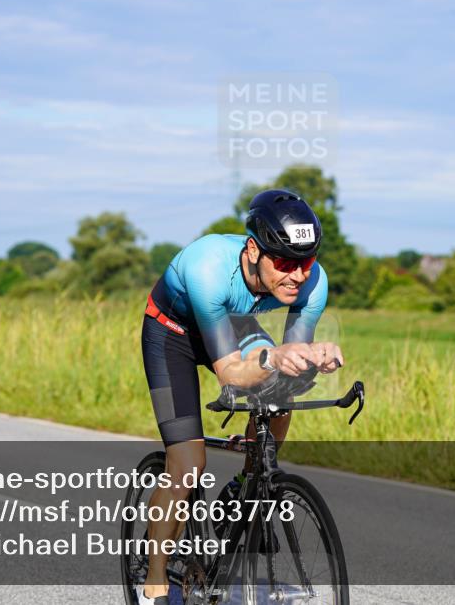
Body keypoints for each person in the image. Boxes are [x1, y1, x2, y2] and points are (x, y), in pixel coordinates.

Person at [138, 188, 344, 604]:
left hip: (233, 326)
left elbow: (292, 359)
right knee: (188, 464)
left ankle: (244, 485)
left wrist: (311, 357)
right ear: (253, 250)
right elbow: (230, 372)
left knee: (284, 392)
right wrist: (273, 356)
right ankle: (155, 579)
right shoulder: (208, 266)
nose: (298, 275)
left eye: (305, 262)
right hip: (172, 335)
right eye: (284, 263)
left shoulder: (313, 281)